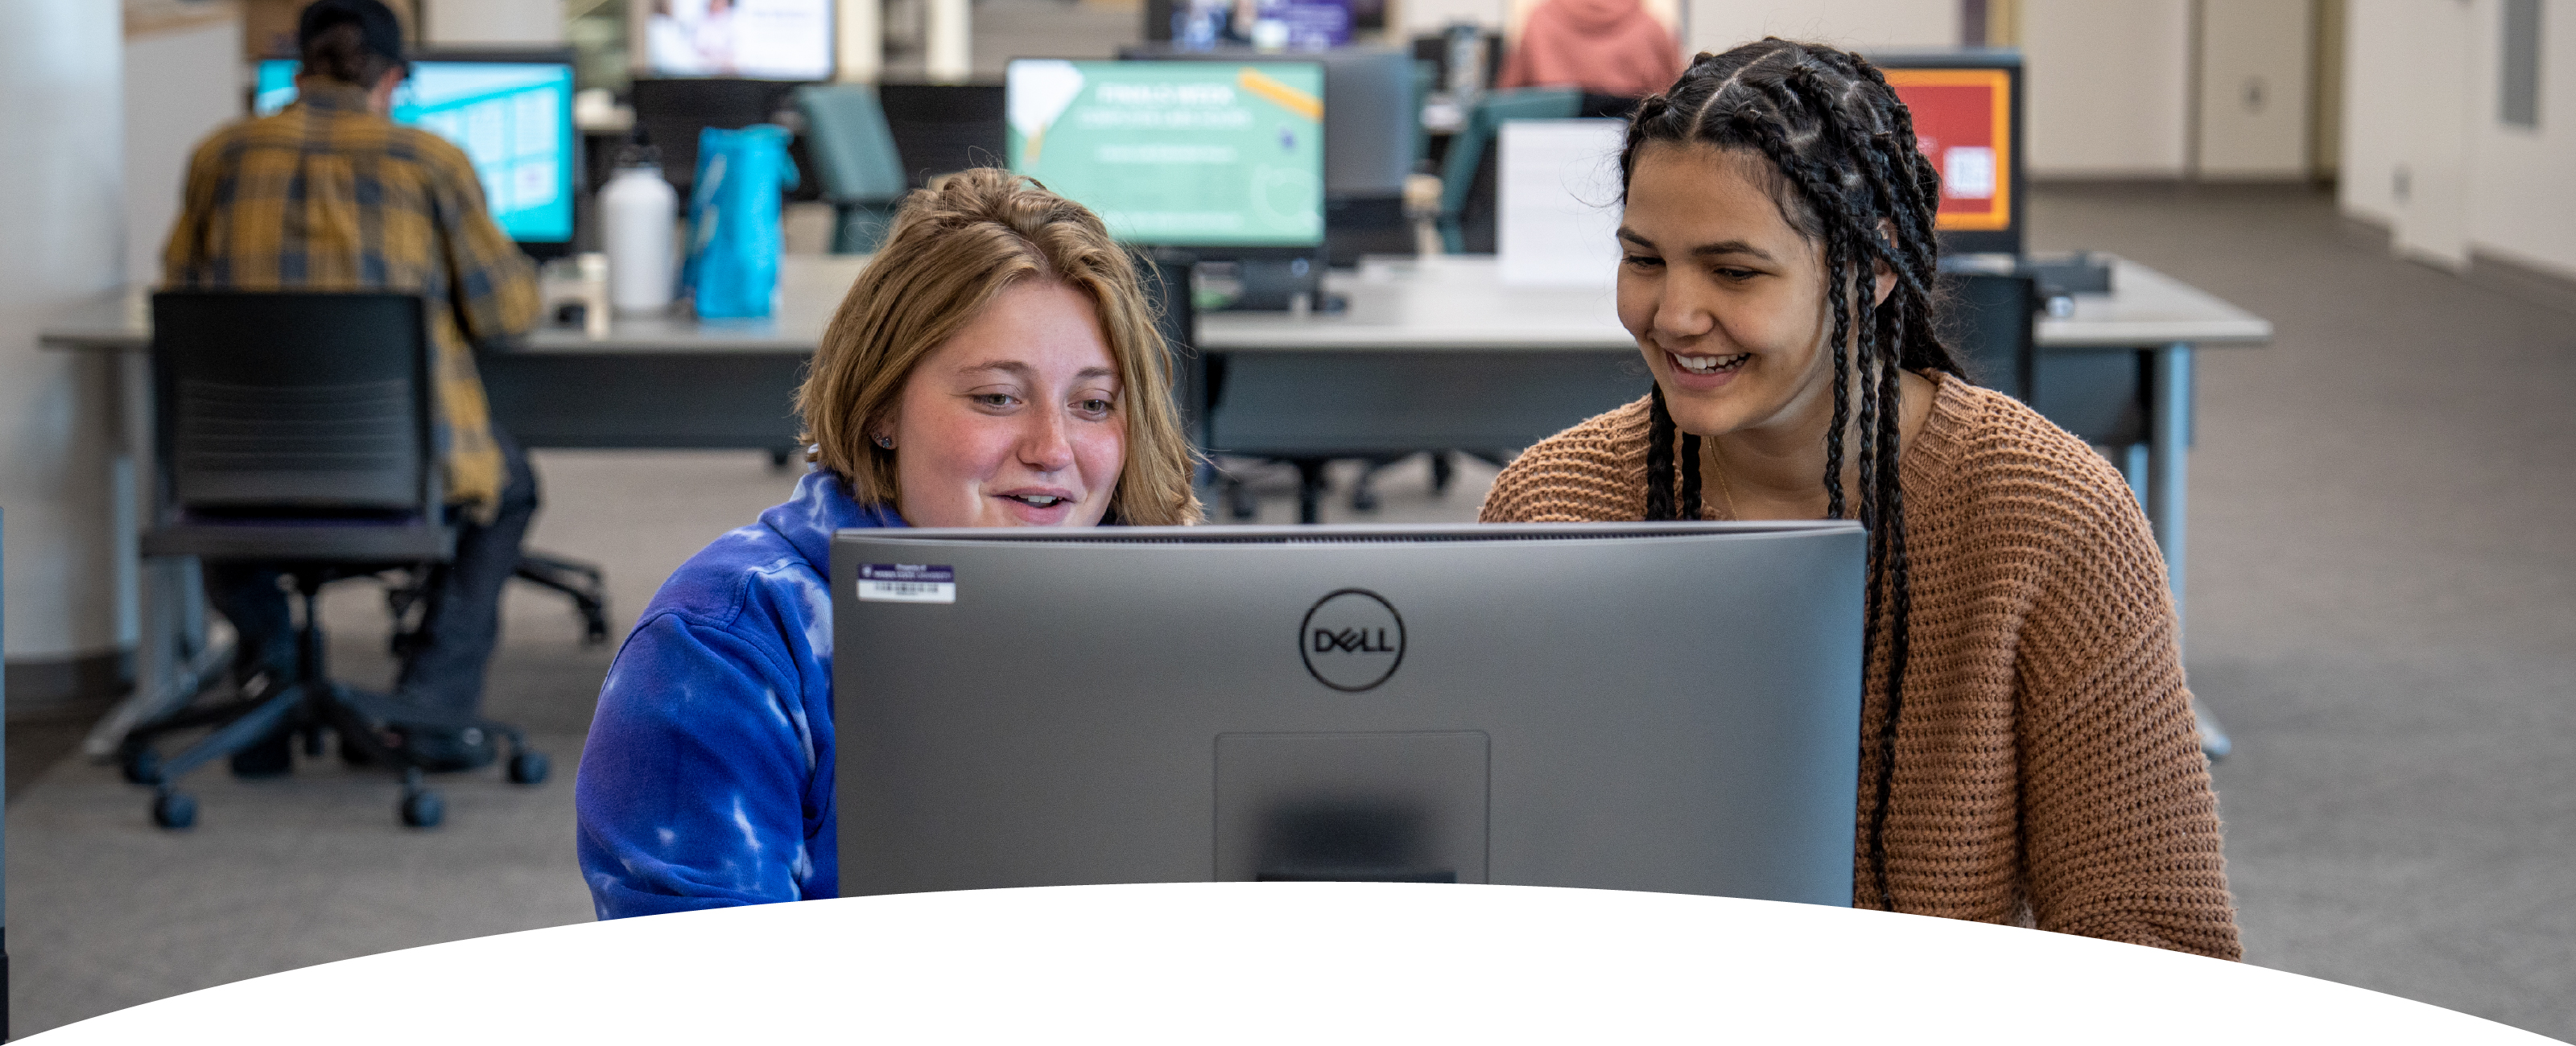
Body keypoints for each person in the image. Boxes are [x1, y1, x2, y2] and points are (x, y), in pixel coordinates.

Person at [1477, 39, 2241, 958]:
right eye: (1643, 259)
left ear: (1869, 268)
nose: (1672, 313)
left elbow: (2154, 942)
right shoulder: (1552, 507)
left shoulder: (2048, 518)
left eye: (1733, 271)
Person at [575, 170, 1204, 919]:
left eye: (1094, 404)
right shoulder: (724, 646)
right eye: (997, 397)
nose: (1052, 447)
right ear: (882, 407)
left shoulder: (1171, 620)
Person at [162, 0, 541, 774]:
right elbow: (507, 312)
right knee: (509, 488)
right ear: (394, 78)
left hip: (238, 464)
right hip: (395, 468)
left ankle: (270, 678)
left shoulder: (218, 156)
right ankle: (427, 713)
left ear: (296, 71)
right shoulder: (429, 161)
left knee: (219, 465)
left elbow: (183, 292)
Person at [1496, 0, 1685, 105]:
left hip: (1547, 162)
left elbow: (1505, 104)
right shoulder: (1652, 30)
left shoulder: (1538, 23)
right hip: (1632, 164)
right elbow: (1681, 108)